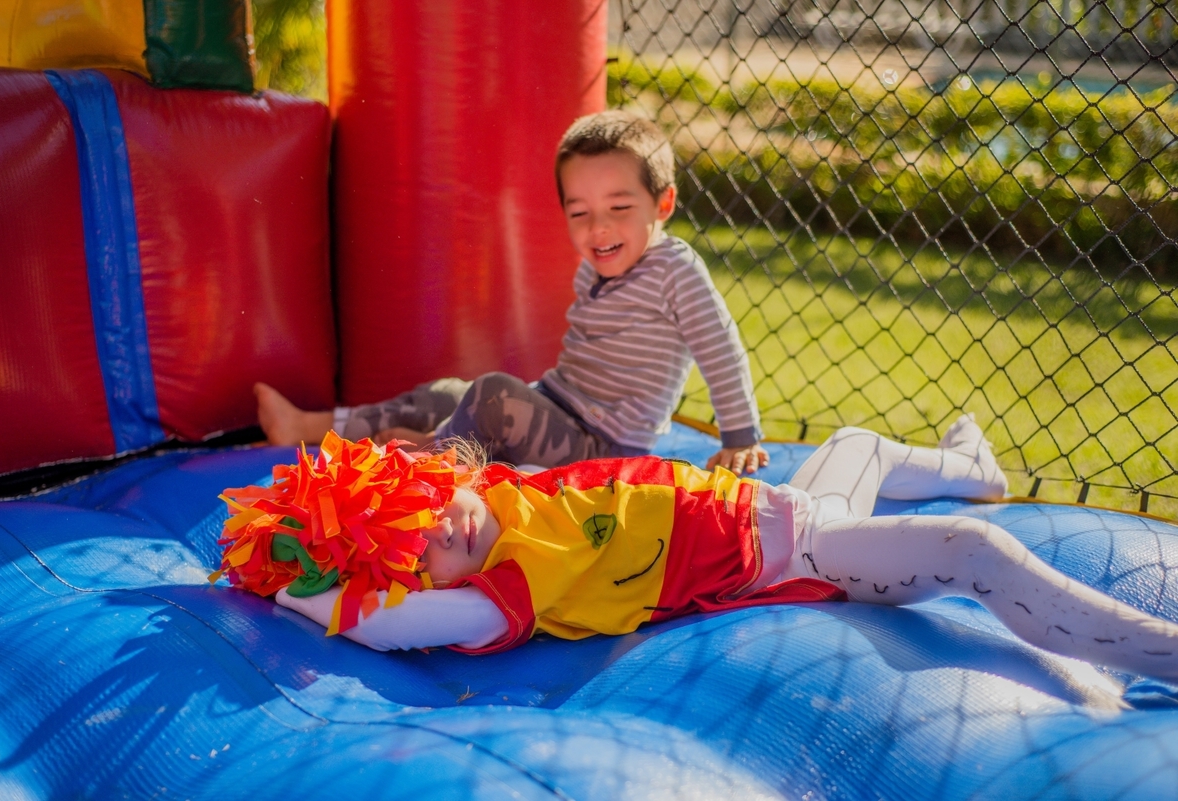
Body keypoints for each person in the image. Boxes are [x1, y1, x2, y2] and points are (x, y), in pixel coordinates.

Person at [271, 416, 1178, 681]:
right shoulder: (502, 589)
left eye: (428, 504)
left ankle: (969, 462)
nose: (441, 529)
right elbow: (388, 626)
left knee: (858, 439)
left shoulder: (504, 494)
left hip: (774, 499)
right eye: (415, 548)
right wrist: (299, 584)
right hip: (804, 552)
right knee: (972, 551)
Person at [256, 110, 770, 475]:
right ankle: (317, 425)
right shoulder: (596, 271)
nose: (598, 229)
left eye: (619, 208)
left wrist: (740, 437)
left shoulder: (675, 271)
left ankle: (433, 463)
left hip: (603, 447)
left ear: (662, 204)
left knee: (493, 394)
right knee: (452, 392)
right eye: (579, 213)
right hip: (560, 407)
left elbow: (720, 350)